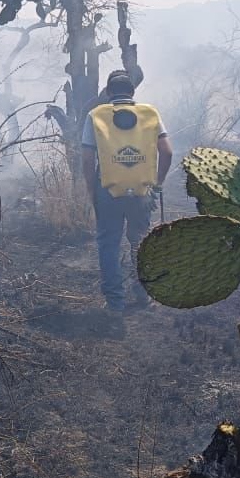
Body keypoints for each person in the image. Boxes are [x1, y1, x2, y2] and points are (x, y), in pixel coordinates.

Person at [80, 70, 173, 313]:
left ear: (109, 92)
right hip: (142, 191)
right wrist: (157, 185)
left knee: (109, 244)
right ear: (132, 92)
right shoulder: (150, 113)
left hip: (107, 190)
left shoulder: (95, 115)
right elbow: (167, 152)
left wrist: (91, 190)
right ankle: (143, 296)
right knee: (140, 242)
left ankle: (115, 303)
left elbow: (87, 158)